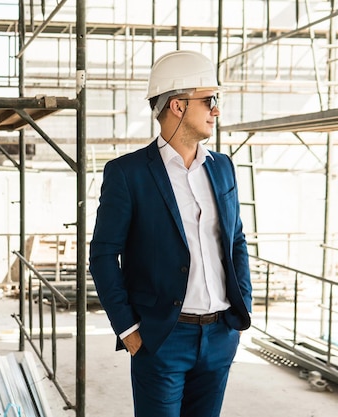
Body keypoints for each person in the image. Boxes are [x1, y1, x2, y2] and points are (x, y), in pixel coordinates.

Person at [88, 50, 253, 417]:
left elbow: (236, 239)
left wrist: (242, 312)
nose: (216, 110)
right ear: (177, 106)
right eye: (210, 100)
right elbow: (102, 255)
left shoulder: (222, 167)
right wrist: (128, 329)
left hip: (220, 334)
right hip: (163, 338)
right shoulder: (128, 174)